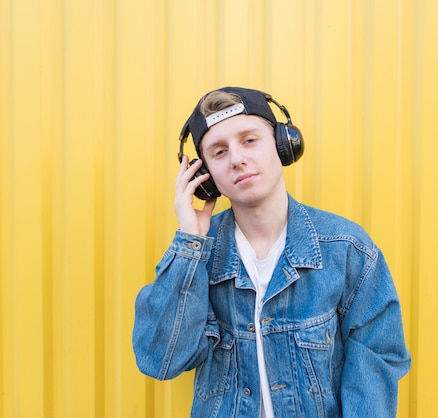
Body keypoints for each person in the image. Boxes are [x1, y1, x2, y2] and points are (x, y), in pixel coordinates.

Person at [132, 87, 411, 417]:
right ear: (205, 176)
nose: (237, 158)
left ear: (283, 145)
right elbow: (160, 360)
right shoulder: (197, 258)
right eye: (219, 152)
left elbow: (377, 359)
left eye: (250, 140)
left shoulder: (347, 249)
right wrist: (190, 242)